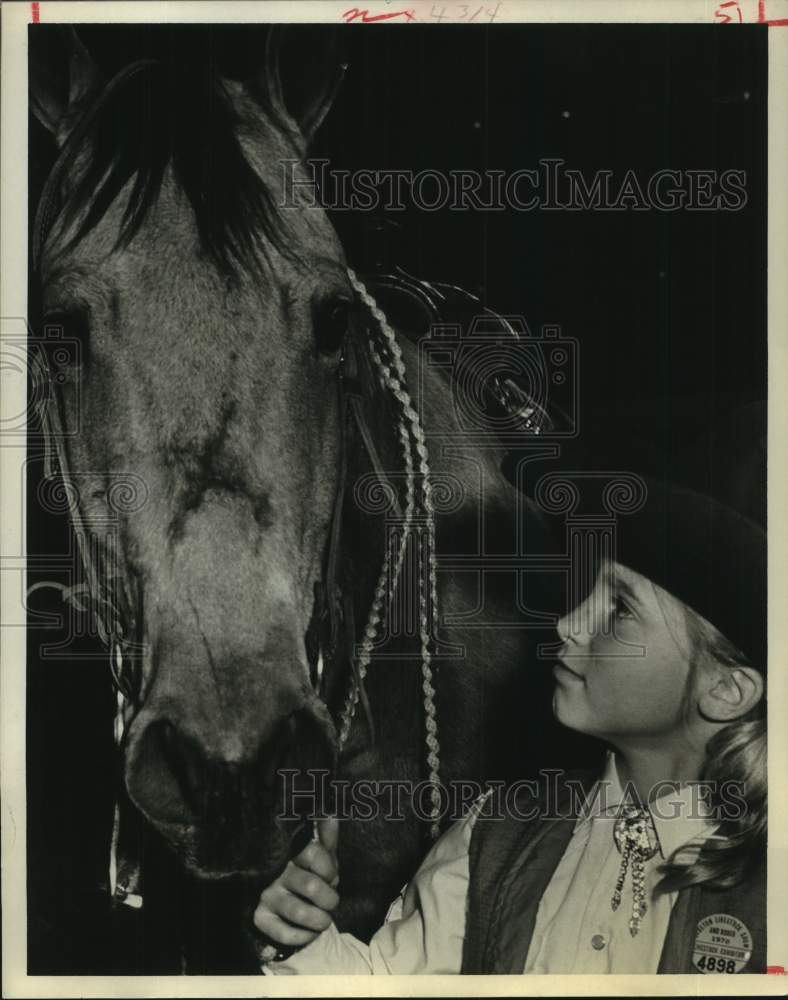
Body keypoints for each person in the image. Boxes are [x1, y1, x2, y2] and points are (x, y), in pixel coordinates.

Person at [253, 405, 767, 975]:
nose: (569, 624)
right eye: (590, 592)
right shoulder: (497, 835)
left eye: (620, 609)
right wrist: (301, 936)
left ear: (727, 690)